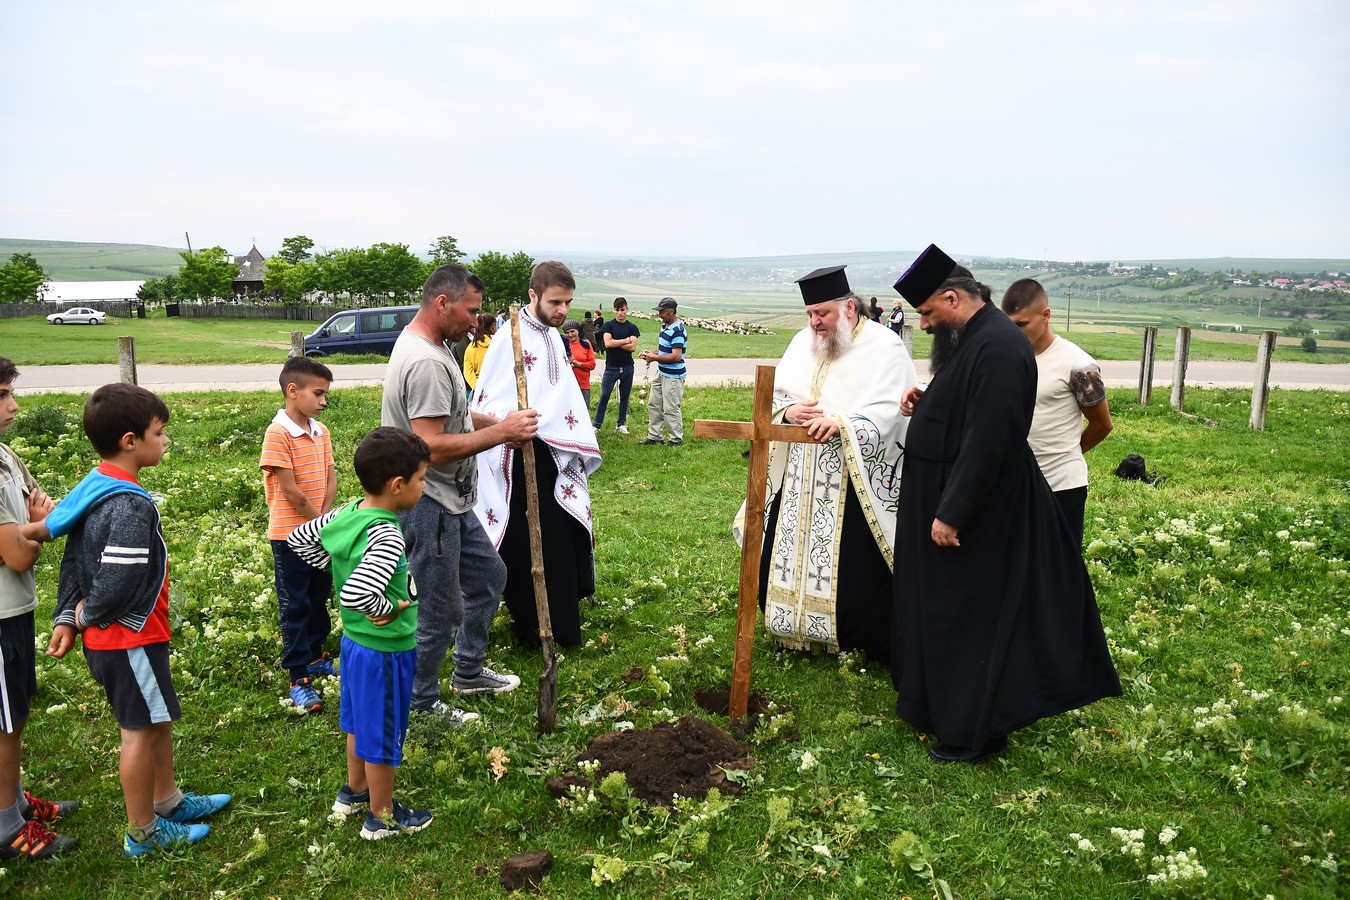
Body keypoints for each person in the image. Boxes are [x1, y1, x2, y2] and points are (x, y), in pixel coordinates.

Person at [890, 244, 1121, 763]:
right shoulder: (976, 338)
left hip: (973, 509)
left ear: (952, 298)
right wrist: (932, 401)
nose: (924, 325)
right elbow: (970, 407)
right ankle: (941, 708)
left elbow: (991, 437)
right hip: (949, 494)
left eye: (927, 312)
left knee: (968, 614)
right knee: (945, 607)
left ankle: (975, 731)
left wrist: (952, 511)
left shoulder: (996, 344)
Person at [37, 384, 231, 855]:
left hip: (134, 640)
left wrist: (67, 613)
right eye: (159, 433)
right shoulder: (128, 503)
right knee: (139, 733)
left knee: (156, 721)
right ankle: (142, 831)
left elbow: (72, 560)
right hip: (128, 640)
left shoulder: (96, 487)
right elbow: (117, 580)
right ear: (130, 440)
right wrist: (83, 615)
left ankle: (168, 801)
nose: (165, 441)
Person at [381, 264, 539, 721]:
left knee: (489, 576)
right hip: (428, 501)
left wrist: (499, 426)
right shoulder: (428, 362)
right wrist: (500, 433)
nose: (476, 321)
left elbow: (455, 416)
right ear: (442, 303)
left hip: (453, 500)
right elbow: (428, 445)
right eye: (470, 311)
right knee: (439, 609)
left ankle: (467, 672)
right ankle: (422, 702)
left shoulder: (428, 345)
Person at [737, 265, 918, 660]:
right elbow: (778, 394)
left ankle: (855, 637)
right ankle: (791, 625)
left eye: (823, 313)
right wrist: (789, 413)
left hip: (854, 476)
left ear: (849, 307)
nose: (815, 323)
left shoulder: (884, 347)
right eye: (810, 314)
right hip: (800, 472)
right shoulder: (803, 342)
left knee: (855, 564)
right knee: (781, 550)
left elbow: (894, 412)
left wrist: (842, 423)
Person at [288, 427, 434, 841]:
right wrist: (388, 609)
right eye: (422, 479)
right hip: (385, 652)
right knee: (383, 733)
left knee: (357, 723)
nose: (424, 487)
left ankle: (354, 792)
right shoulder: (386, 534)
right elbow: (358, 593)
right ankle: (382, 816)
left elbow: (301, 539)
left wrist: (335, 563)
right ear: (397, 485)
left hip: (353, 645)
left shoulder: (351, 511)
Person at [472, 261, 601, 647]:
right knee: (528, 542)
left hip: (552, 455)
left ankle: (561, 623)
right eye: (555, 301)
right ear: (534, 295)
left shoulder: (552, 336)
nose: (562, 310)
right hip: (520, 455)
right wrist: (507, 427)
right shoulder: (510, 337)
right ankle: (533, 628)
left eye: (568, 302)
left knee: (559, 538)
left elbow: (561, 397)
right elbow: (489, 398)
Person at [0, 358, 79, 861]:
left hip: (15, 607)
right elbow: (19, 552)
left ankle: (14, 802)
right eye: (2, 396)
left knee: (16, 711)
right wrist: (36, 526)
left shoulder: (5, 454)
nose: (14, 406)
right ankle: (7, 828)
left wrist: (33, 521)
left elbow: (31, 513)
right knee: (4, 721)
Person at [1001, 279, 1114, 549]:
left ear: (1046, 315)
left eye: (1022, 324)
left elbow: (1102, 425)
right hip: (1012, 485)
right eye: (1010, 325)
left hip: (1061, 486)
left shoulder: (1079, 365)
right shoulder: (1006, 357)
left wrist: (1066, 455)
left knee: (1060, 571)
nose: (1015, 332)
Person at [260, 356, 337, 714]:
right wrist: (317, 523)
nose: (323, 401)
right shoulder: (278, 434)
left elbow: (329, 476)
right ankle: (297, 677)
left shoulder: (321, 432)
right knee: (296, 605)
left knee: (319, 597)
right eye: (318, 394)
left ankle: (316, 656)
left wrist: (324, 521)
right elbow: (290, 491)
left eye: (325, 394)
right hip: (291, 536)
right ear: (293, 391)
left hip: (318, 533)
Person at [639, 298, 688, 445]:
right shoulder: (665, 326)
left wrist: (654, 358)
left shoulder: (678, 330)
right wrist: (650, 352)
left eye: (662, 311)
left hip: (673, 376)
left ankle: (676, 439)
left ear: (671, 312)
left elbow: (676, 356)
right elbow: (663, 348)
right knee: (654, 404)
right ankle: (654, 436)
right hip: (661, 373)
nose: (659, 314)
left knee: (671, 408)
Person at [592, 297, 640, 434]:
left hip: (627, 367)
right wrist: (625, 340)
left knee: (625, 396)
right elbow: (608, 344)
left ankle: (621, 424)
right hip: (611, 367)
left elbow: (633, 348)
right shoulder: (608, 325)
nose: (620, 313)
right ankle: (597, 424)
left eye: (622, 310)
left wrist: (616, 342)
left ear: (627, 310)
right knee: (605, 395)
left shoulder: (632, 327)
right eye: (617, 310)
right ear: (614, 310)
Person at [564, 319, 596, 408]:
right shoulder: (563, 345)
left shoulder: (586, 344)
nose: (570, 334)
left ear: (578, 331)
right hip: (567, 385)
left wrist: (579, 364)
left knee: (584, 411)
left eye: (572, 331)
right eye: (567, 332)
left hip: (583, 385)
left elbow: (592, 364)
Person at [463, 314, 496, 397]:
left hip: (479, 391)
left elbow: (468, 372)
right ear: (493, 326)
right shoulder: (499, 343)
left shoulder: (470, 348)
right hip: (498, 388)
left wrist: (477, 387)